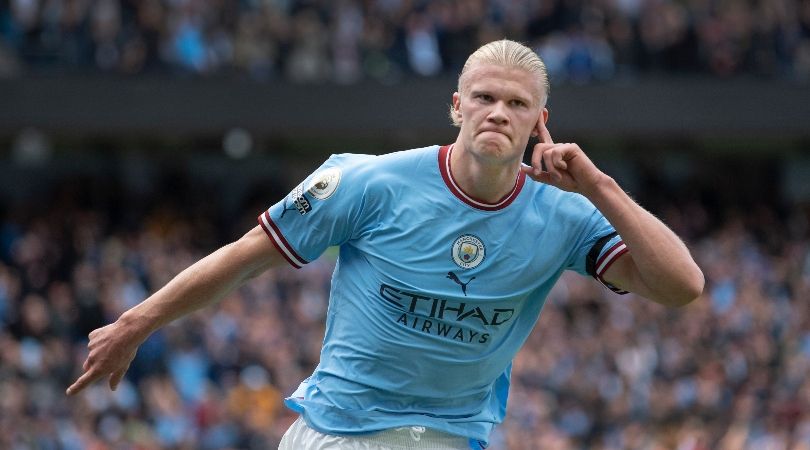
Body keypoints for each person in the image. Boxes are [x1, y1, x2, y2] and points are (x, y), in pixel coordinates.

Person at [66, 39, 704, 449]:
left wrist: (600, 186)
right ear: (456, 105)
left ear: (541, 121)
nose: (497, 113)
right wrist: (136, 321)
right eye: (483, 97)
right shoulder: (363, 180)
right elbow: (241, 260)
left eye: (517, 104)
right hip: (341, 435)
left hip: (456, 440)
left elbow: (683, 288)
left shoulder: (566, 215)